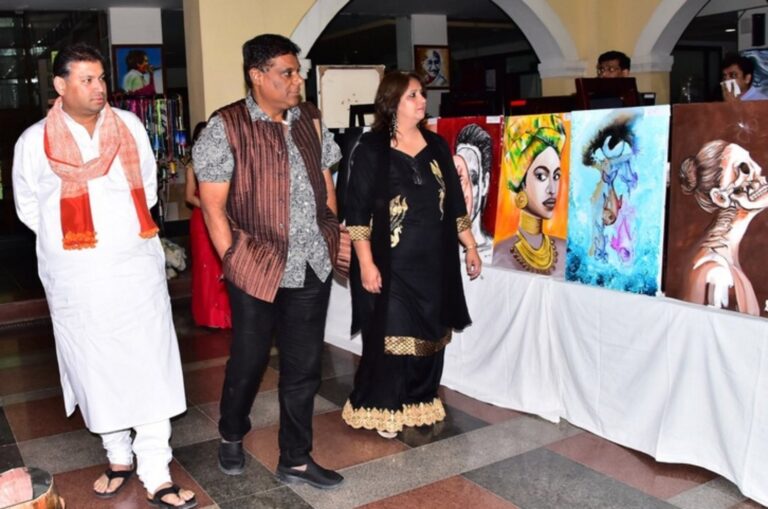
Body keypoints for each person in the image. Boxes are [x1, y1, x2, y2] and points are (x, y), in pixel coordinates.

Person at [12, 43, 196, 508]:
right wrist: (72, 243)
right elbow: (29, 207)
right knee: (94, 366)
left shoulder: (129, 126)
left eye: (100, 79)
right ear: (60, 85)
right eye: (87, 80)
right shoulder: (34, 141)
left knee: (149, 364)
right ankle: (117, 455)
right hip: (77, 276)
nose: (99, 88)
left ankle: (156, 468)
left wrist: (117, 237)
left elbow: (149, 185)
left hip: (136, 269)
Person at [192, 34, 349, 489]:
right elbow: (212, 204)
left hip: (310, 264)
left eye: (297, 71)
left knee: (304, 367)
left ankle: (296, 458)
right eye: (287, 72)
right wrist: (233, 259)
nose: (297, 80)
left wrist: (330, 228)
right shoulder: (227, 125)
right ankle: (231, 432)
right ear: (257, 76)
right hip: (256, 266)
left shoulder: (311, 120)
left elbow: (326, 181)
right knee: (249, 358)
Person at [341, 71, 481, 439]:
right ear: (392, 103)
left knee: (431, 335)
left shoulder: (436, 146)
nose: (422, 100)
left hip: (435, 264)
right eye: (412, 95)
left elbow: (453, 203)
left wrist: (469, 246)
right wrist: (366, 263)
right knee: (389, 337)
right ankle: (382, 407)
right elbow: (356, 213)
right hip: (392, 265)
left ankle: (418, 400)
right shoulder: (371, 148)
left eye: (422, 94)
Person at [679, 140, 768, 315]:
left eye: (751, 161)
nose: (757, 170)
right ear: (720, 197)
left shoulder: (726, 265)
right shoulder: (717, 275)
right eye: (742, 169)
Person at [493, 115, 567, 275]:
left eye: (556, 176)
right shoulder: (501, 255)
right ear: (521, 181)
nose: (552, 189)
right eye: (541, 176)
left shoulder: (566, 250)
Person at [186, 121, 231, 329]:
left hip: (221, 216)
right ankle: (209, 317)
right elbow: (189, 196)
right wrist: (209, 206)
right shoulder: (192, 164)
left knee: (222, 263)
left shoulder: (223, 160)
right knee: (206, 266)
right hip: (201, 220)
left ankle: (226, 316)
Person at [453, 124, 493, 252]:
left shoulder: (493, 251)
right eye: (458, 177)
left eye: (473, 179)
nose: (463, 188)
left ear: (485, 183)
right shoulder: (441, 244)